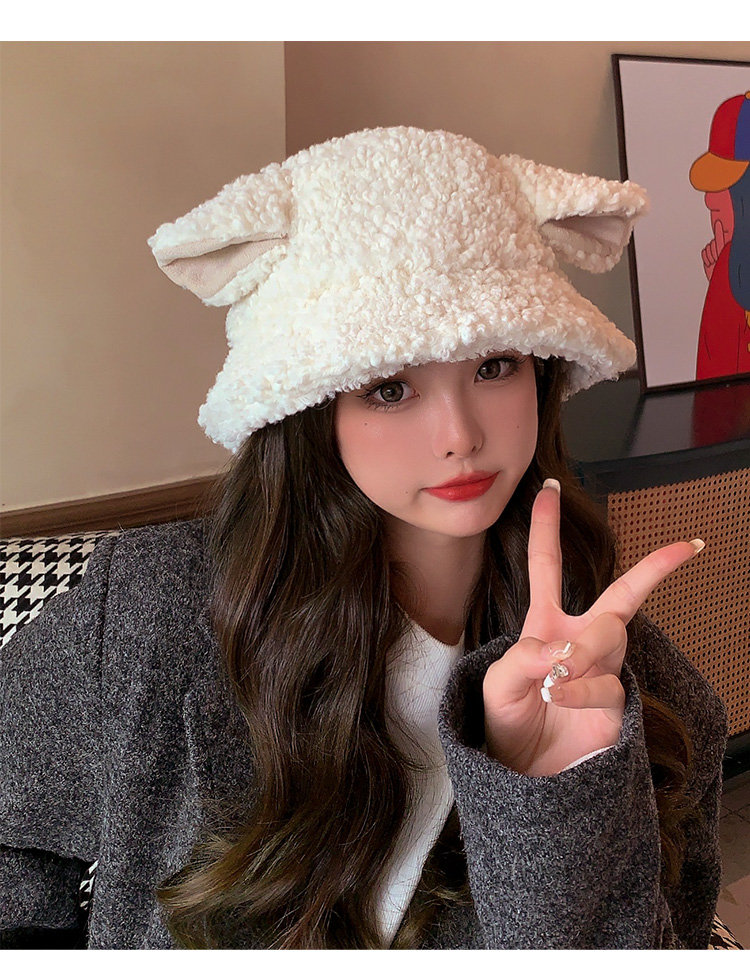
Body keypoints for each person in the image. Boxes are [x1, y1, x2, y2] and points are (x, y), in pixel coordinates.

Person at [0, 127, 728, 950]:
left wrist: (555, 804)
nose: (460, 435)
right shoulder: (148, 615)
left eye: (495, 366)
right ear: (310, 409)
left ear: (543, 369)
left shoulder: (644, 699)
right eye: (389, 387)